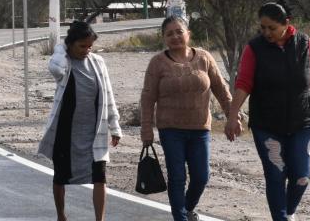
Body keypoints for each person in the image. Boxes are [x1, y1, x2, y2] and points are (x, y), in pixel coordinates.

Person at [226, 0, 310, 221]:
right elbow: (243, 84)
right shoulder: (254, 48)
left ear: (286, 24)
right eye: (263, 28)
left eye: (272, 27)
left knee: (301, 177)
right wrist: (233, 116)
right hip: (267, 124)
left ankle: (288, 213)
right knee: (276, 175)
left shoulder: (304, 43)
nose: (266, 32)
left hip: (301, 121)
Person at [140, 15, 235, 221]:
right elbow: (147, 98)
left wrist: (232, 115)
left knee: (201, 177)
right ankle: (181, 218)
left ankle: (186, 209)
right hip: (170, 129)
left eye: (179, 32)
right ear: (164, 38)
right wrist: (146, 128)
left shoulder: (204, 57)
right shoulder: (157, 63)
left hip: (200, 128)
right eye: (169, 33)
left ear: (188, 34)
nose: (175, 37)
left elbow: (220, 88)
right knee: (177, 177)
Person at [38, 21, 122, 221]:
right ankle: (61, 215)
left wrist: (115, 126)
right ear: (71, 44)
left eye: (89, 46)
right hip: (66, 130)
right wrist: (61, 48)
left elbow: (108, 95)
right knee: (61, 176)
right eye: (81, 46)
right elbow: (55, 69)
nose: (86, 50)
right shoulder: (64, 62)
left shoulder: (98, 62)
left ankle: (99, 219)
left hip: (94, 131)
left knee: (100, 176)